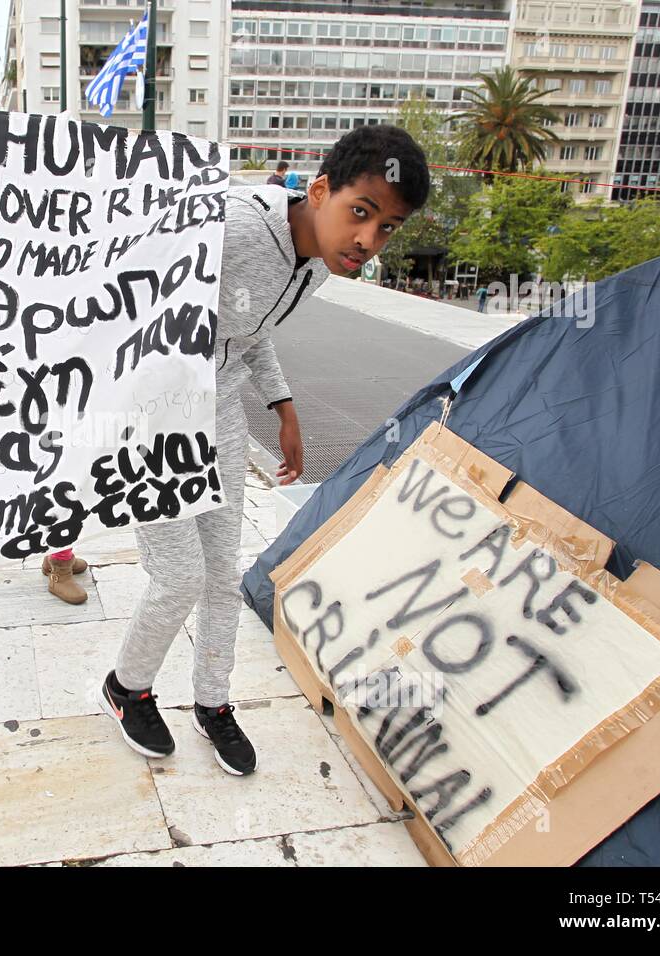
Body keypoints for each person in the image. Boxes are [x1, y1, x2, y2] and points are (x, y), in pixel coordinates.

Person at [97, 124, 430, 775]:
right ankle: (127, 686)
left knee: (224, 573)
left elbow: (249, 329)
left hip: (216, 414)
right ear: (321, 188)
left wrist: (282, 405)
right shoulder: (233, 225)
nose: (368, 239)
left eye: (387, 227)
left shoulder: (319, 262)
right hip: (147, 414)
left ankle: (212, 703)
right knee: (179, 575)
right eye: (360, 213)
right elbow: (122, 282)